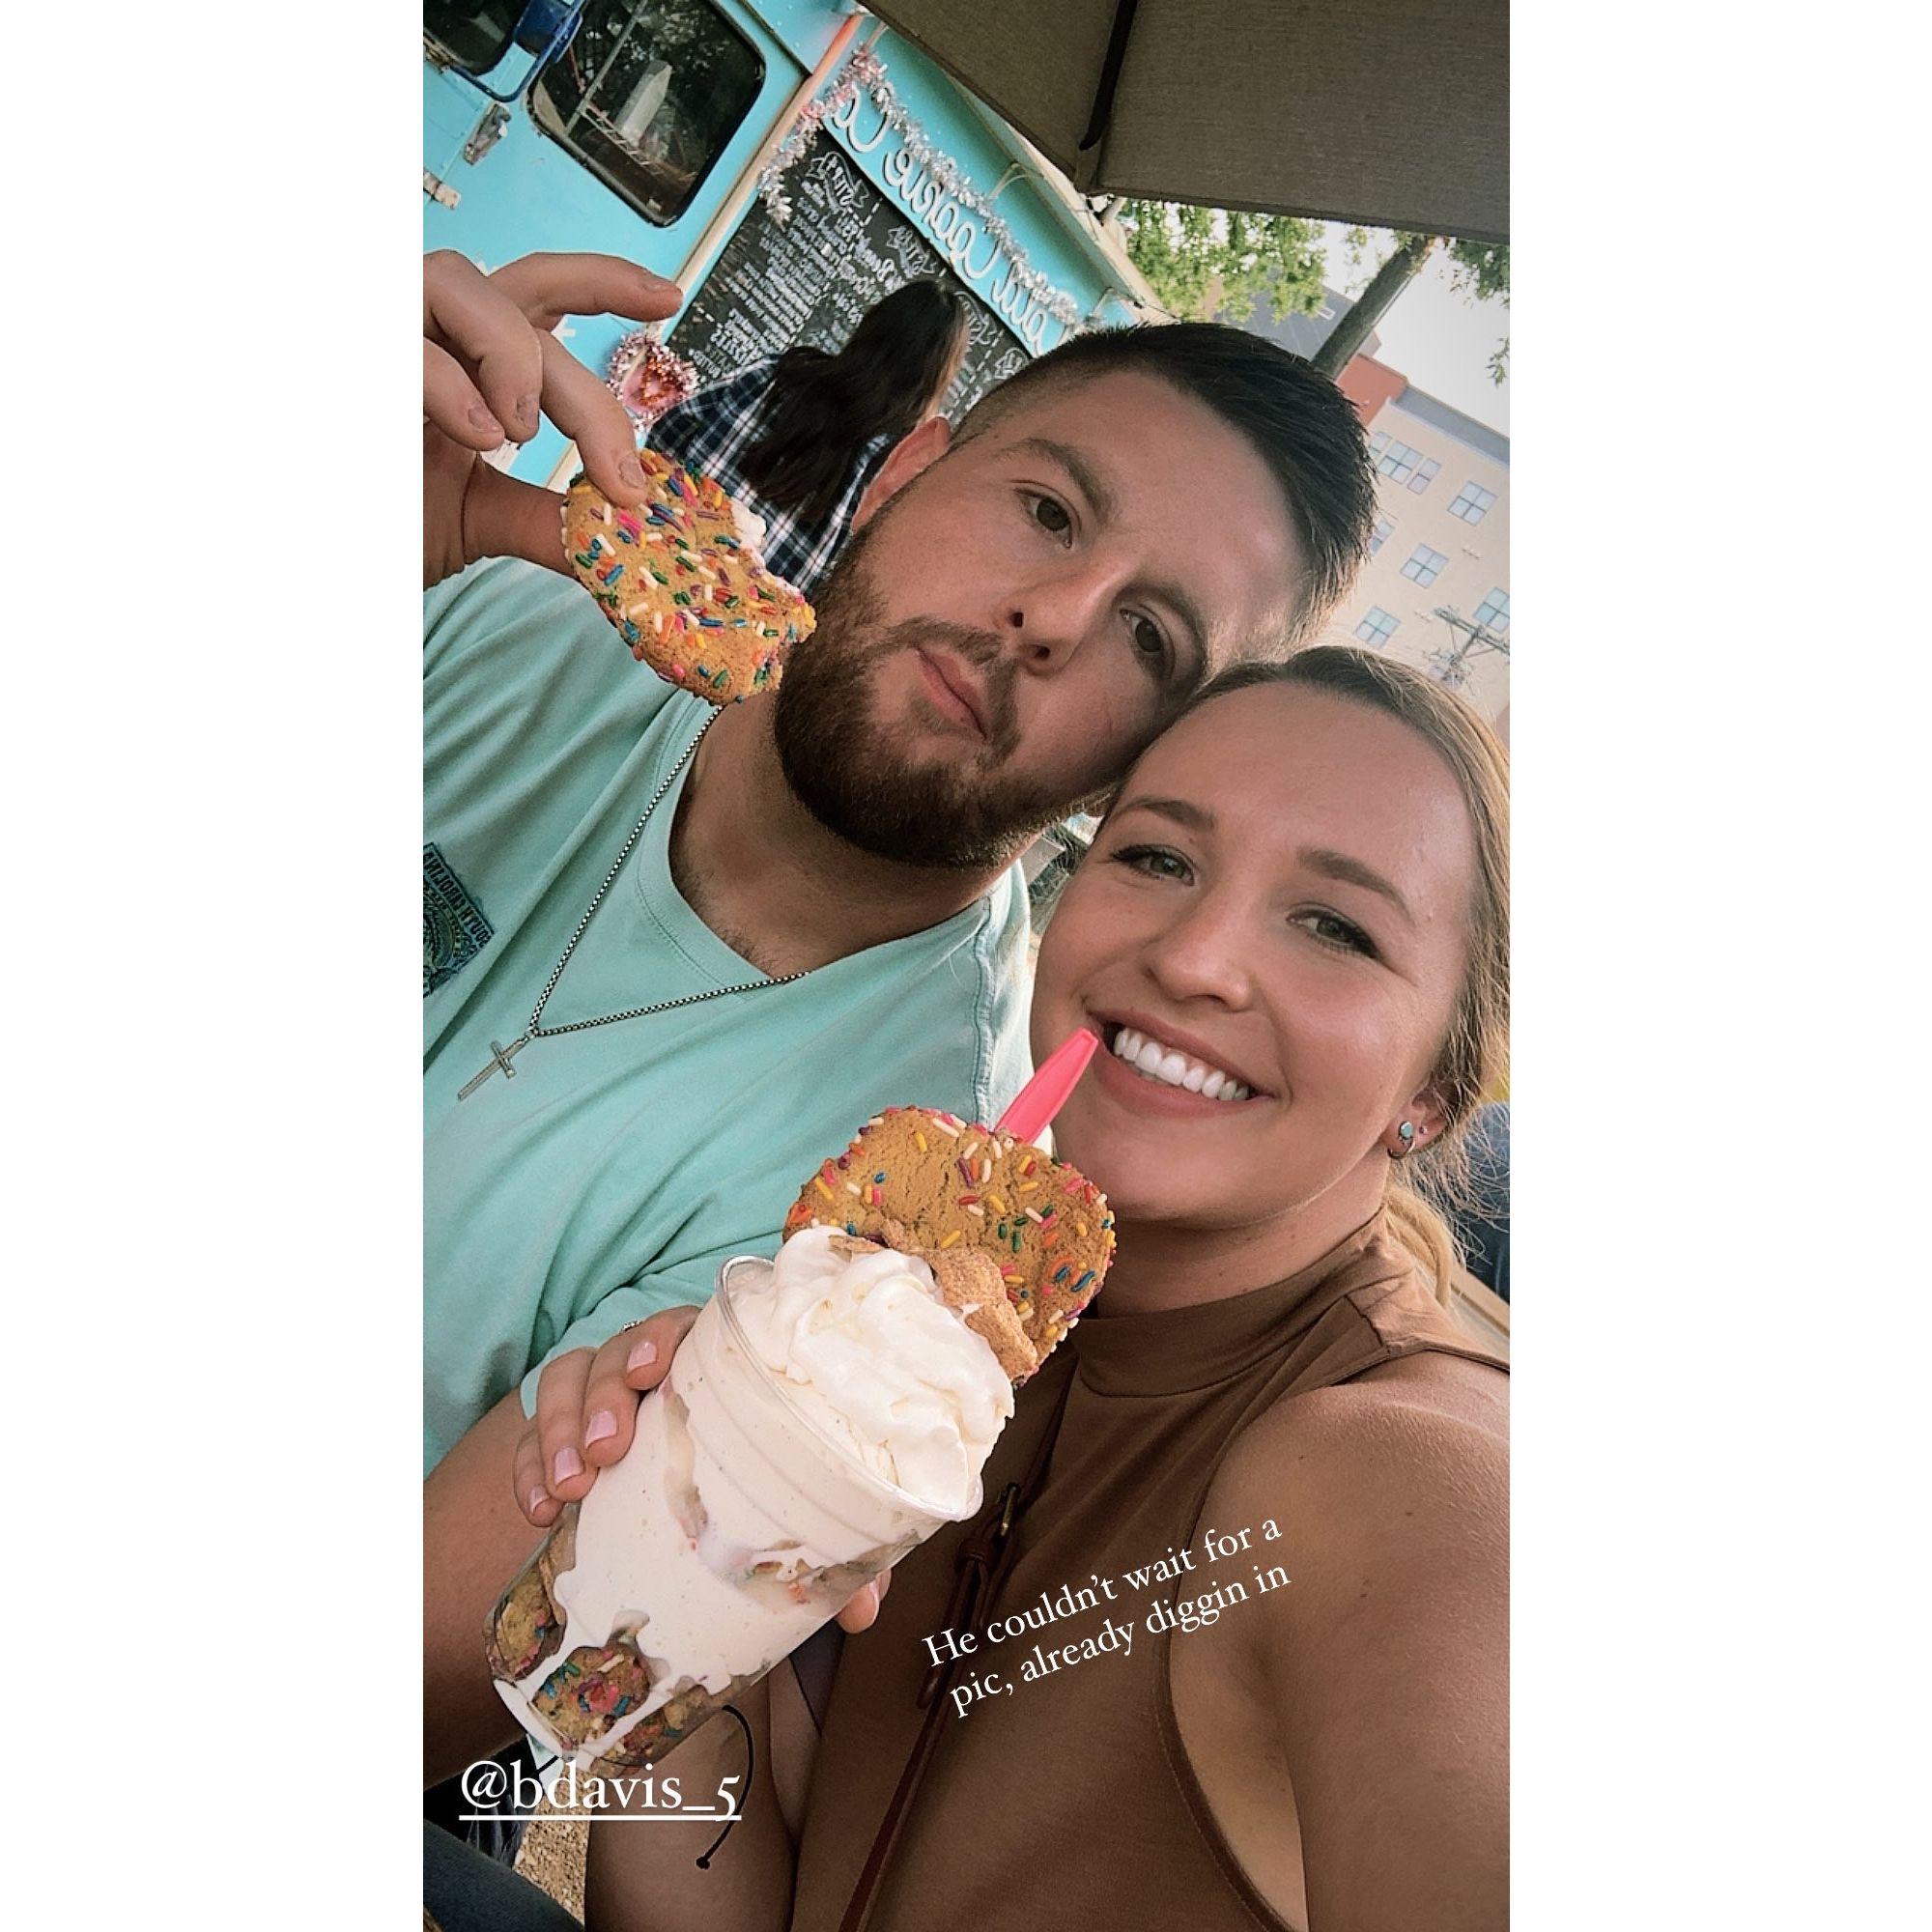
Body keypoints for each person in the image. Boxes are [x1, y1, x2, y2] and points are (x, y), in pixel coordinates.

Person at [420, 250, 1378, 1782]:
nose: (1054, 614)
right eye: (1047, 510)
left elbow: (421, 1672)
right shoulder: (498, 626)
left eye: (1150, 639)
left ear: (1149, 759)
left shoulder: (896, 1236)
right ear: (905, 472)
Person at [502, 648, 1509, 1932]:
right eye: (1156, 856)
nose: (1195, 956)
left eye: (1336, 927)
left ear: (1436, 1089)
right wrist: (699, 1592)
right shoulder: (939, 1342)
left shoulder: (1404, 1471)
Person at [647, 279, 970, 595]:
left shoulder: (775, 375)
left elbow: (667, 435)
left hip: (654, 562)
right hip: (741, 618)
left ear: (869, 327)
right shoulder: (894, 469)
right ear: (936, 380)